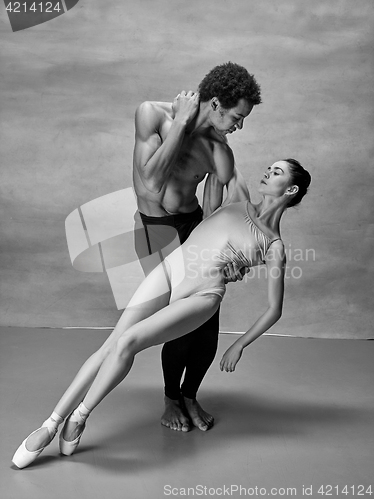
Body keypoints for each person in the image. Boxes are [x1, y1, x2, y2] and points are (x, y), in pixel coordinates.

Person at [12, 158, 311, 469]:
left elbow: (275, 309)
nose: (267, 172)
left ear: (290, 188)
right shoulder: (238, 197)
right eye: (270, 167)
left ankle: (80, 416)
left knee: (129, 342)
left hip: (202, 295)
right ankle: (50, 424)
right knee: (111, 344)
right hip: (172, 269)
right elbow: (221, 149)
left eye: (277, 172)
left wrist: (239, 344)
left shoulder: (274, 245)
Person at [133, 62, 262, 432]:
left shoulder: (217, 147)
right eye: (237, 117)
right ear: (217, 103)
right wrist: (182, 122)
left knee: (207, 321)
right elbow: (153, 180)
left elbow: (236, 195)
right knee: (180, 324)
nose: (239, 126)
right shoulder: (153, 115)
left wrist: (237, 254)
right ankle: (171, 399)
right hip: (157, 229)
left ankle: (190, 395)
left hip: (193, 225)